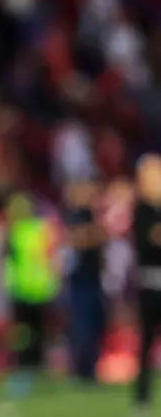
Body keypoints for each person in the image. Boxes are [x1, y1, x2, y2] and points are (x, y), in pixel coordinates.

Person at [3, 191, 60, 396]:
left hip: (28, 288)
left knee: (30, 332)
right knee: (30, 332)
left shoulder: (20, 231)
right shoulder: (40, 229)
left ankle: (29, 365)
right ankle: (30, 364)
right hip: (33, 288)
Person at [62, 179, 107, 383]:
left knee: (95, 324)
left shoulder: (90, 215)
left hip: (94, 278)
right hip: (81, 280)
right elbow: (78, 239)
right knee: (82, 326)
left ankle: (90, 369)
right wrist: (96, 233)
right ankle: (80, 370)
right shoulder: (75, 215)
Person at [132, 154, 161, 412]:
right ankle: (141, 397)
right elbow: (152, 237)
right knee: (146, 343)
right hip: (150, 285)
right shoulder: (141, 209)